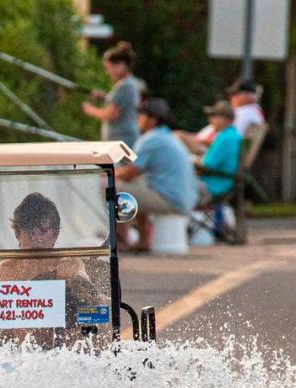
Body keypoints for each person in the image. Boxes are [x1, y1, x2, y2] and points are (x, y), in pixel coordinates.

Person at [115, 98, 198, 252]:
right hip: (185, 198)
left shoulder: (150, 139)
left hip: (171, 199)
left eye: (141, 115)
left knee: (116, 189)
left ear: (152, 119)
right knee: (137, 187)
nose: (138, 119)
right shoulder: (169, 137)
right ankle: (143, 240)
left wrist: (110, 173)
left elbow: (130, 173)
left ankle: (121, 240)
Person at [0, 192, 88, 282]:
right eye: (29, 232)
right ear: (17, 234)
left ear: (55, 234)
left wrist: (76, 282)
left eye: (43, 231)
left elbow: (94, 295)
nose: (36, 239)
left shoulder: (71, 264)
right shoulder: (7, 270)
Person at [81, 41, 142, 149]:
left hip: (124, 142)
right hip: (120, 142)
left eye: (108, 68)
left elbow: (111, 114)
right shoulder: (127, 84)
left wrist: (90, 110)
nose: (107, 72)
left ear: (121, 65)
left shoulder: (126, 86)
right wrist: (105, 97)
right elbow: (119, 103)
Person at [195, 100, 243, 204]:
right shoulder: (233, 135)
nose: (211, 121)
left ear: (227, 120)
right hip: (223, 183)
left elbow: (207, 165)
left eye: (215, 117)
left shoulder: (224, 138)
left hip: (213, 187)